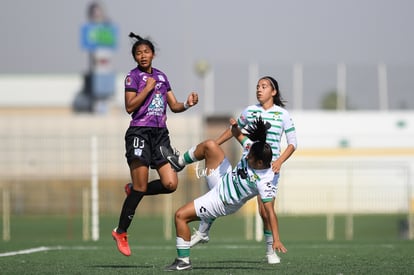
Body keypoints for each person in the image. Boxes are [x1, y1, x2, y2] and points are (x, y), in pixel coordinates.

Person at [166, 76, 297, 264]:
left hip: (268, 169)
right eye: (257, 86)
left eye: (264, 86)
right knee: (212, 153)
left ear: (274, 91)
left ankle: (270, 250)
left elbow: (293, 143)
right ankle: (179, 162)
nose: (259, 89)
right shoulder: (250, 112)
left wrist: (280, 162)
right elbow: (235, 131)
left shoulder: (282, 115)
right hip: (245, 167)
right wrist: (213, 145)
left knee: (264, 209)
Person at [111, 32, 199, 257]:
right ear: (135, 57)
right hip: (139, 132)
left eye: (146, 52)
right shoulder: (133, 78)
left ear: (153, 54)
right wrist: (147, 89)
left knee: (170, 184)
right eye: (138, 53)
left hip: (160, 135)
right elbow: (129, 107)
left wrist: (187, 104)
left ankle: (132, 190)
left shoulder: (161, 77)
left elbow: (174, 105)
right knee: (141, 186)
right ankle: (121, 231)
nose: (143, 56)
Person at [161, 117, 287, 271]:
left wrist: (277, 239)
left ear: (260, 163)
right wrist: (235, 127)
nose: (247, 156)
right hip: (223, 180)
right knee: (210, 145)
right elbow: (237, 134)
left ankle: (183, 261)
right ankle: (178, 162)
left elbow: (270, 213)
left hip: (222, 200)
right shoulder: (252, 149)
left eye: (250, 158)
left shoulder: (265, 181)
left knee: (180, 216)